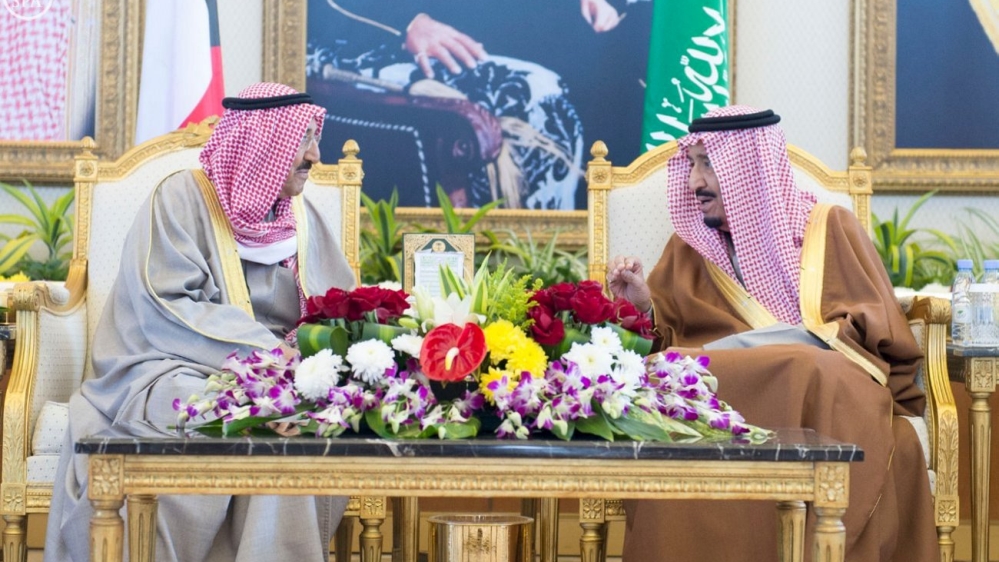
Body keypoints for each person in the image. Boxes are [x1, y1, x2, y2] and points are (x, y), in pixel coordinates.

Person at [607, 105, 937, 561]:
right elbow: (664, 349)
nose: (694, 183)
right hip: (721, 391)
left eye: (709, 164)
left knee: (806, 362)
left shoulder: (829, 227)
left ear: (748, 171)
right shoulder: (687, 250)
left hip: (817, 386)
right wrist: (644, 305)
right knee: (674, 373)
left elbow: (875, 328)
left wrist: (789, 343)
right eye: (692, 164)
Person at [44, 82, 357, 562]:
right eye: (305, 138)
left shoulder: (302, 216)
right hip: (168, 363)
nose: (316, 154)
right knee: (243, 412)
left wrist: (321, 357)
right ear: (264, 144)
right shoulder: (181, 199)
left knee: (295, 417)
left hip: (280, 370)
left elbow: (337, 305)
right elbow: (167, 303)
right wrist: (268, 359)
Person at [306, 0, 647, 209]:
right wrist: (407, 22)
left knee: (624, 69)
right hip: (387, 34)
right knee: (532, 93)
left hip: (513, 24)